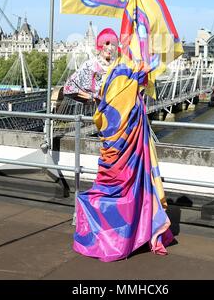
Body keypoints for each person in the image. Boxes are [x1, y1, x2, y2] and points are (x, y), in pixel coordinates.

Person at [64, 28, 173, 262]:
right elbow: (68, 89)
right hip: (110, 129)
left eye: (112, 43)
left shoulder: (125, 66)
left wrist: (147, 38)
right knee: (111, 173)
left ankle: (132, 232)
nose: (108, 48)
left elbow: (147, 71)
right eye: (104, 44)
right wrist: (94, 96)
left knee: (129, 177)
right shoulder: (91, 67)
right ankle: (116, 233)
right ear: (98, 46)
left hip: (128, 130)